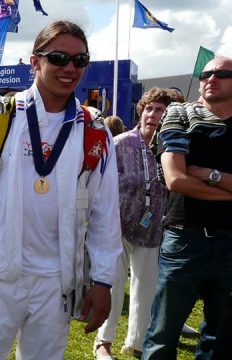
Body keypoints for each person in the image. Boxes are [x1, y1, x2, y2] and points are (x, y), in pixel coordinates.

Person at [0, 20, 121, 359]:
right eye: (58, 58)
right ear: (34, 61)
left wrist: (103, 281)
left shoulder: (95, 131)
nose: (70, 68)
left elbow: (105, 213)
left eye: (79, 60)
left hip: (57, 281)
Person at [143, 56, 232, 359]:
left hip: (230, 244)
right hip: (185, 239)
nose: (211, 78)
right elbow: (177, 180)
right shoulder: (179, 113)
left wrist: (208, 174)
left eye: (222, 74)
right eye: (206, 73)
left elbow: (189, 175)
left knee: (221, 339)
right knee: (162, 336)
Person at [93, 88, 178, 359]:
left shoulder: (172, 150)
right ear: (141, 111)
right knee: (113, 284)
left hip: (153, 228)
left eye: (161, 110)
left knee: (146, 287)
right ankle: (103, 343)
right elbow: (101, 185)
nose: (154, 115)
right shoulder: (119, 143)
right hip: (116, 226)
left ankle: (137, 342)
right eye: (150, 109)